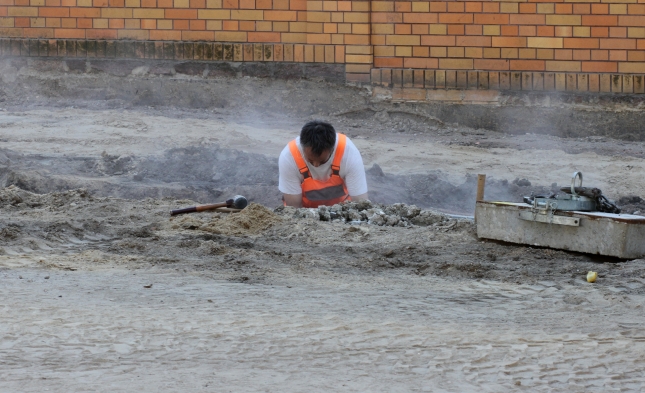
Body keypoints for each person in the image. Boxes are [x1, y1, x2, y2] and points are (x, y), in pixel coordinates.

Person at [279, 120, 368, 208]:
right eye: (310, 160)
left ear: (332, 149)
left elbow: (360, 203)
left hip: (341, 212)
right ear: (302, 148)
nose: (316, 165)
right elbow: (293, 208)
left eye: (322, 161)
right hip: (305, 214)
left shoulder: (348, 152)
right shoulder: (289, 156)